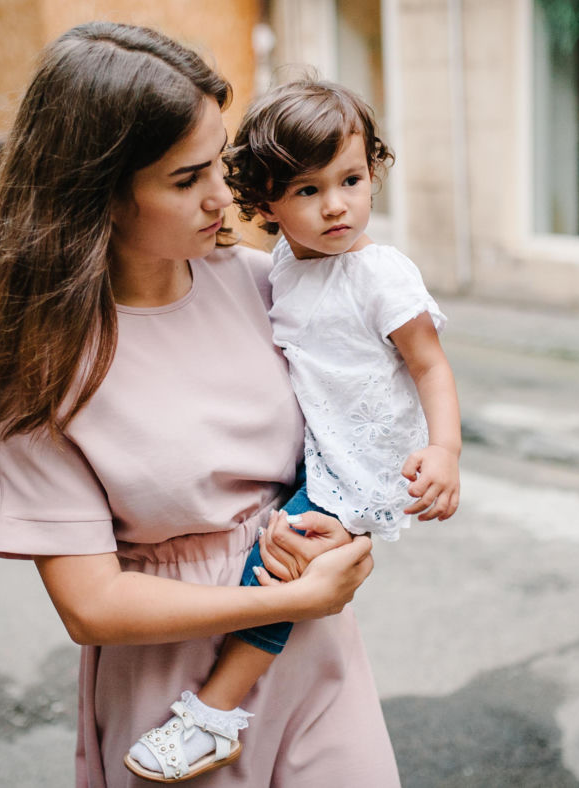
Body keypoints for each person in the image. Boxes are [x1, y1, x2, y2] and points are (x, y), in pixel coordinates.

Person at [0, 22, 400, 787]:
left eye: (220, 161)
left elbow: (356, 431)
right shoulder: (39, 365)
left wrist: (340, 535)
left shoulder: (270, 283)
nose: (223, 196)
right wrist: (301, 595)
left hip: (314, 655)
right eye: (187, 180)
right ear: (99, 196)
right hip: (174, 694)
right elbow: (91, 605)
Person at [125, 79, 461, 782]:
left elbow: (430, 366)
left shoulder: (380, 275)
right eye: (308, 190)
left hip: (363, 464)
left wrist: (444, 450)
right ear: (264, 204)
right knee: (283, 556)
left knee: (277, 565)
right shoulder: (281, 266)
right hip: (319, 450)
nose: (337, 205)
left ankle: (213, 714)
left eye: (351, 180)